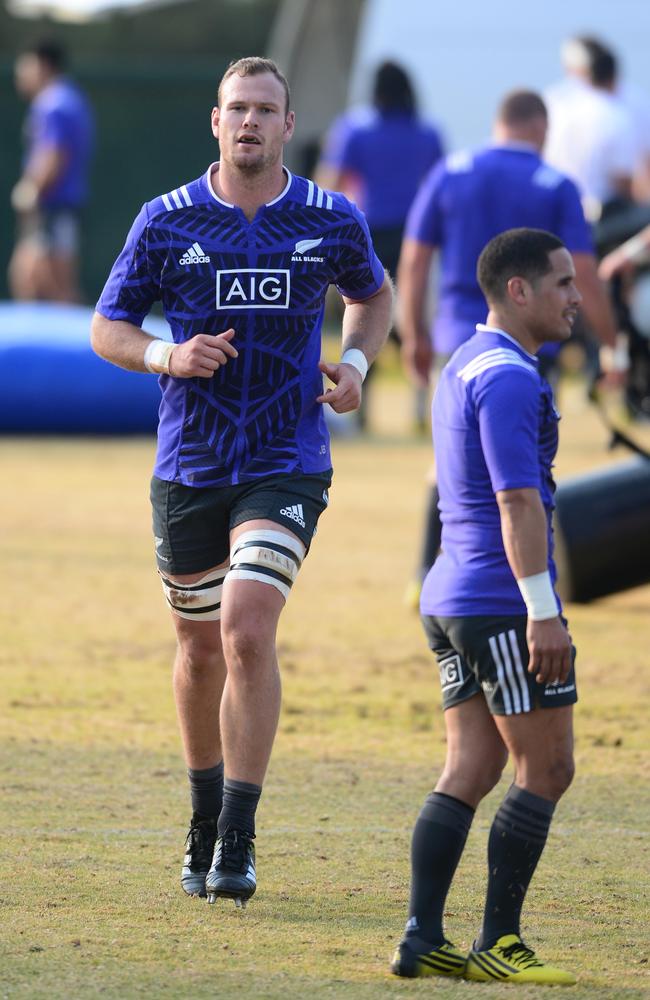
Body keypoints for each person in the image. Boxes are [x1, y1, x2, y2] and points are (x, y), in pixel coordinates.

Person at [91, 56, 392, 908]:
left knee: (247, 628)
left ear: (289, 124)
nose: (251, 122)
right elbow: (107, 327)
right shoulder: (166, 220)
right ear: (215, 123)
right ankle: (201, 813)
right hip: (189, 463)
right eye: (237, 109)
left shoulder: (329, 217)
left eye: (266, 109)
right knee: (196, 649)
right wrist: (167, 355)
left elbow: (374, 294)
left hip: (287, 459)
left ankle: (239, 834)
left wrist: (360, 363)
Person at [391, 227, 579, 985]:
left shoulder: (465, 359)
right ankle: (500, 942)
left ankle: (422, 937)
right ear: (518, 290)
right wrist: (542, 609)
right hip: (501, 601)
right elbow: (514, 498)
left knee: (472, 762)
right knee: (548, 766)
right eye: (562, 283)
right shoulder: (507, 378)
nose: (575, 296)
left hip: (450, 596)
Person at [398, 90, 620, 597]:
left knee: (450, 460)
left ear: (498, 124)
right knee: (520, 466)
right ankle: (521, 583)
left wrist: (415, 333)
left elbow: (414, 259)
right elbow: (581, 271)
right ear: (540, 128)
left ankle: (425, 573)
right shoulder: (556, 183)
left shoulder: (450, 171)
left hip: (457, 342)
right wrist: (612, 344)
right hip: (527, 349)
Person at [315, 61, 444, 429]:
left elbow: (330, 183)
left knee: (360, 315)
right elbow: (438, 186)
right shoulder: (427, 133)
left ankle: (361, 406)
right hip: (413, 235)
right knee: (414, 319)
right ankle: (421, 402)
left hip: (365, 233)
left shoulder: (355, 129)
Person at [9, 38, 94, 303]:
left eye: (25, 65)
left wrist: (31, 190)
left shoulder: (53, 103)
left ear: (41, 64)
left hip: (52, 206)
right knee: (42, 280)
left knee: (43, 280)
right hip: (60, 207)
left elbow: (54, 153)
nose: (20, 72)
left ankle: (91, 341)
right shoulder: (70, 98)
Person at [543, 36, 639, 223]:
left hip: (551, 206)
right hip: (598, 218)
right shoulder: (616, 115)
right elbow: (623, 182)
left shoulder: (554, 102)